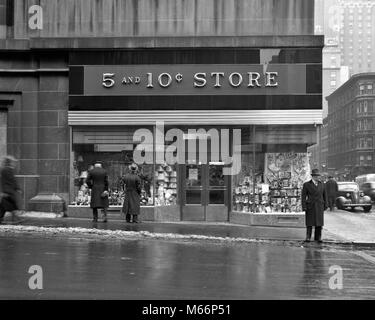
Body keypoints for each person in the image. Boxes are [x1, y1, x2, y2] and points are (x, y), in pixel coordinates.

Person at [301, 169, 328, 243]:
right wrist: (304, 206)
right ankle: (308, 237)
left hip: (319, 205)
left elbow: (325, 195)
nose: (318, 177)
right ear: (312, 176)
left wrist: (326, 204)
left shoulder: (322, 184)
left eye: (318, 176)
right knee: (309, 223)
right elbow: (303, 196)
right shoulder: (306, 184)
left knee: (319, 223)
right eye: (316, 176)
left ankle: (318, 237)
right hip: (310, 205)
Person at [0, 156, 22, 224]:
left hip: (5, 191)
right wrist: (18, 188)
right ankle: (16, 219)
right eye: (13, 162)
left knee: (3, 206)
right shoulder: (9, 170)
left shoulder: (3, 169)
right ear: (9, 163)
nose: (14, 164)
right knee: (12, 205)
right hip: (9, 191)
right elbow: (12, 180)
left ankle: (2, 218)